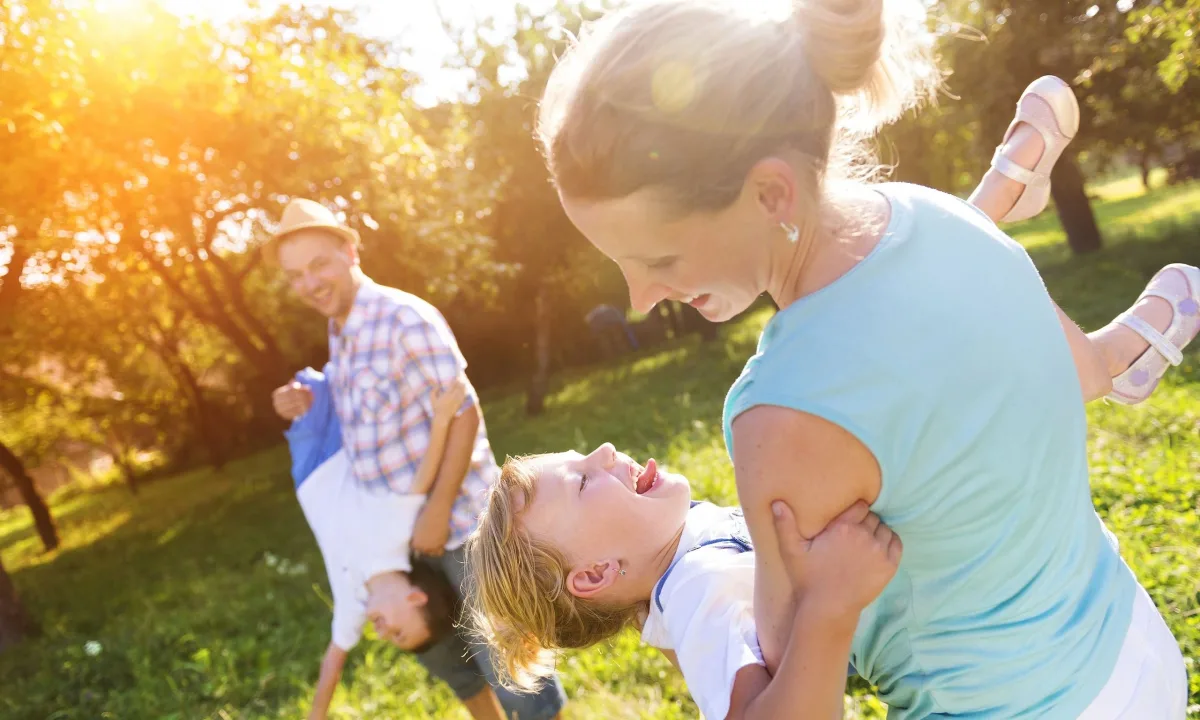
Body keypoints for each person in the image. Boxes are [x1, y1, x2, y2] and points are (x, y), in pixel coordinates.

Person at [533, 0, 1195, 716]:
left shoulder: (779, 416)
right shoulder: (940, 217)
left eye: (657, 257)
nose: (639, 297)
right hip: (1132, 642)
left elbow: (794, 669)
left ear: (770, 193)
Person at [266, 200, 566, 720]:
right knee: (451, 661)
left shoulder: (403, 317)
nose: (310, 283)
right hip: (403, 538)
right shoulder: (340, 332)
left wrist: (436, 506)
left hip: (461, 525)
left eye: (320, 264)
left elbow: (464, 414)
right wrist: (302, 400)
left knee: (511, 664)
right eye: (296, 275)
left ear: (350, 250)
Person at [468, 445, 899, 720]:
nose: (604, 450)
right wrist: (831, 606)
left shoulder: (677, 549)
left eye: (582, 454)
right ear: (596, 573)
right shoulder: (695, 589)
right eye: (582, 481)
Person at [283, 363, 466, 719]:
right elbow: (424, 476)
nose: (384, 635)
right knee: (336, 379)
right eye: (399, 633)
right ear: (415, 597)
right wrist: (442, 419)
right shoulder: (398, 538)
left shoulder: (354, 604)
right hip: (343, 451)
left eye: (393, 640)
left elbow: (333, 664)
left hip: (306, 472)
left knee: (305, 392)